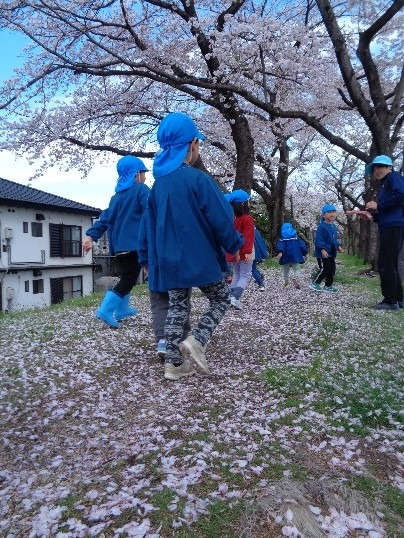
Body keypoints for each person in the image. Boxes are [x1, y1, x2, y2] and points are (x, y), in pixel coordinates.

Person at [141, 112, 244, 381]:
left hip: (169, 261)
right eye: (197, 143)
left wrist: (151, 260)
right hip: (200, 258)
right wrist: (233, 244)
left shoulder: (157, 186)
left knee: (178, 307)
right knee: (221, 298)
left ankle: (174, 365)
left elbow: (149, 227)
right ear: (191, 145)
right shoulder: (198, 179)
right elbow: (221, 216)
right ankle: (197, 339)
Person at [83, 155, 150, 327]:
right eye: (143, 173)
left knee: (127, 277)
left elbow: (105, 219)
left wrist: (91, 236)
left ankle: (122, 309)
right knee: (129, 278)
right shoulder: (141, 190)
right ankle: (106, 309)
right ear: (136, 174)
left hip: (119, 248)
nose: (145, 177)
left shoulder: (116, 197)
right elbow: (151, 212)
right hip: (134, 245)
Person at [138, 208, 192, 362]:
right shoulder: (182, 209)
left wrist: (144, 261)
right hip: (179, 267)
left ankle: (162, 341)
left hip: (156, 266)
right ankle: (179, 340)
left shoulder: (149, 211)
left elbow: (142, 240)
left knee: (159, 305)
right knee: (181, 304)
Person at [364, 155, 404, 310]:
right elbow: (386, 211)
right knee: (391, 263)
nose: (376, 170)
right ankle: (399, 299)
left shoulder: (393, 178)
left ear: (389, 167)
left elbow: (402, 193)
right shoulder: (385, 186)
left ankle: (389, 300)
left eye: (380, 166)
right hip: (390, 224)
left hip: (394, 225)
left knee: (385, 262)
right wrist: (372, 216)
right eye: (374, 169)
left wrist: (378, 205)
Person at [225, 189, 255, 309]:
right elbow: (248, 236)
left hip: (235, 251)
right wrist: (248, 251)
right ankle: (235, 297)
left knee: (237, 274)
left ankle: (231, 297)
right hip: (244, 251)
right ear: (244, 204)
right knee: (245, 275)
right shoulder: (248, 219)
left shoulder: (235, 219)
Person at [310, 204, 344, 293]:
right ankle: (315, 283)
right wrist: (322, 249)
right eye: (329, 212)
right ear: (323, 215)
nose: (332, 214)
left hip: (331, 252)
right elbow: (319, 240)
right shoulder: (321, 227)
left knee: (332, 269)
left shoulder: (333, 227)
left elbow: (334, 239)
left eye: (333, 212)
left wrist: (338, 246)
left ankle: (328, 286)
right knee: (325, 268)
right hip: (323, 253)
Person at [275, 223, 308, 288]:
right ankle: (297, 279)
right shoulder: (296, 239)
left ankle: (286, 281)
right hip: (295, 256)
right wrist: (305, 253)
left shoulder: (282, 240)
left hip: (285, 257)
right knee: (296, 269)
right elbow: (302, 246)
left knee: (286, 270)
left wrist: (280, 252)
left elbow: (280, 246)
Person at [252, 227, 269, 291]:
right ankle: (259, 275)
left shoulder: (248, 231)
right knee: (253, 268)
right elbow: (262, 241)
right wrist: (264, 251)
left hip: (251, 252)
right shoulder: (256, 231)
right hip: (256, 252)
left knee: (252, 269)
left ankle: (261, 284)